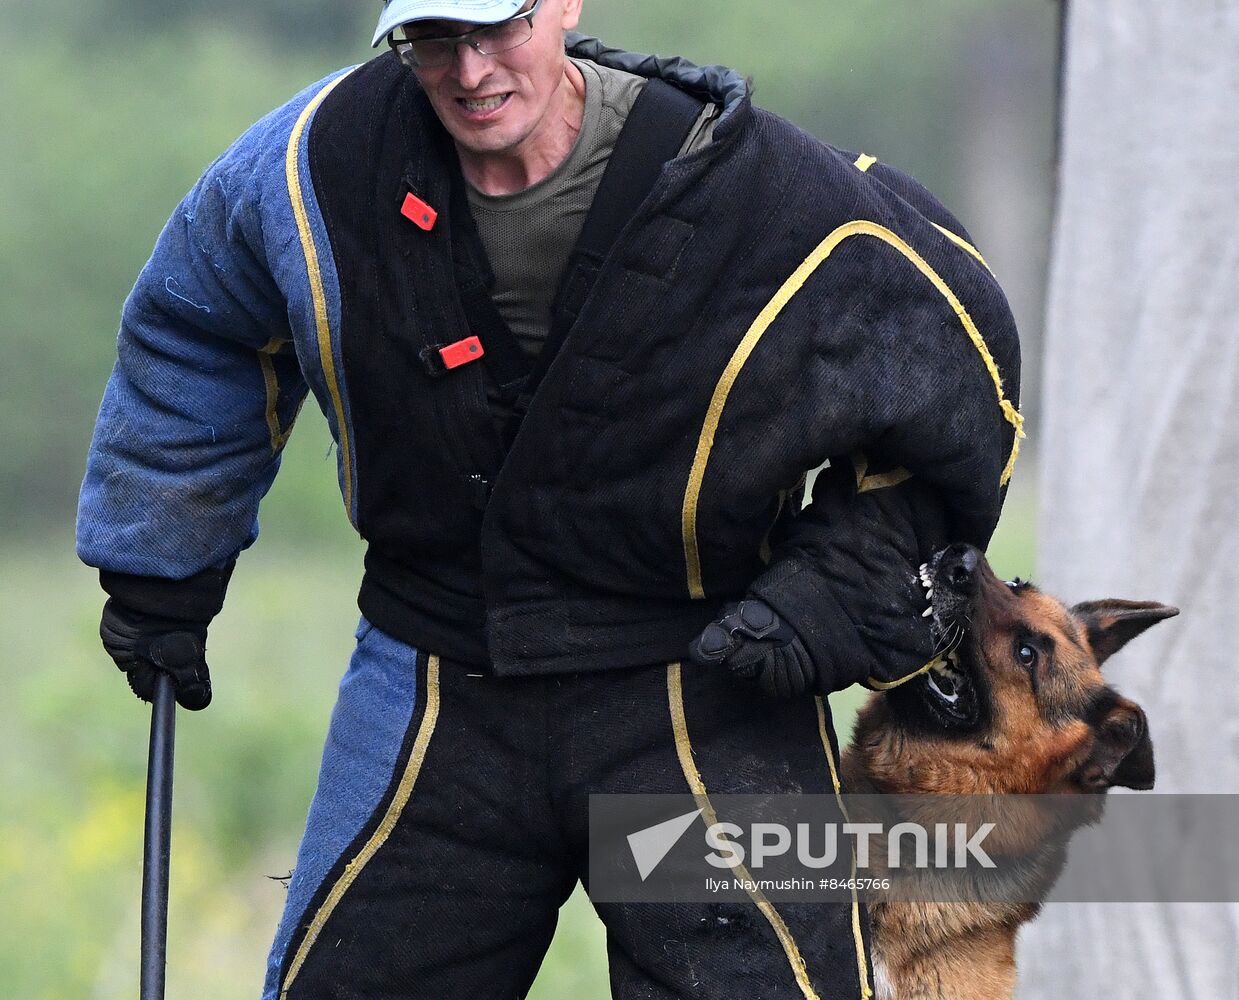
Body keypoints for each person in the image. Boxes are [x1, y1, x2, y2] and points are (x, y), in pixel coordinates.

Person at [77, 0, 1023, 996]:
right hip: (436, 696)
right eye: (434, 36)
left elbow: (960, 384)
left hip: (701, 701)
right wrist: (159, 560)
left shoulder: (765, 196)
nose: (471, 68)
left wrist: (841, 585)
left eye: (500, 27)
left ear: (565, 6)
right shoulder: (319, 164)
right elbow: (200, 321)